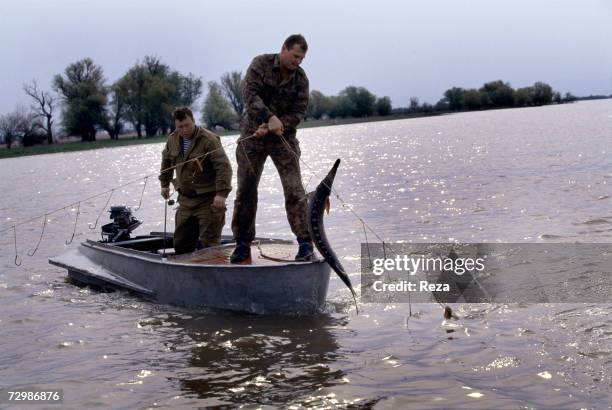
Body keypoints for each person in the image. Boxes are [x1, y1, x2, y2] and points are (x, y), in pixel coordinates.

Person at [230, 34, 313, 263]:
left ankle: (305, 242)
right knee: (246, 191)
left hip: (283, 139)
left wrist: (280, 124)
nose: (298, 62)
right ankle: (242, 244)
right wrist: (269, 117)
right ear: (284, 49)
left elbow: (299, 111)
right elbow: (249, 96)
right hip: (252, 138)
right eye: (295, 56)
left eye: (302, 58)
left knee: (295, 190)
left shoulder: (301, 79)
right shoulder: (260, 64)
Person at [159, 107, 232, 254]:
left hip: (208, 200)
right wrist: (164, 185)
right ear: (176, 126)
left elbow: (223, 167)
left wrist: (221, 194)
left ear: (193, 121)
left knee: (209, 243)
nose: (184, 129)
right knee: (180, 243)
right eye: (180, 127)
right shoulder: (172, 139)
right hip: (185, 200)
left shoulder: (209, 139)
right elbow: (166, 162)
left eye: (187, 125)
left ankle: (214, 272)